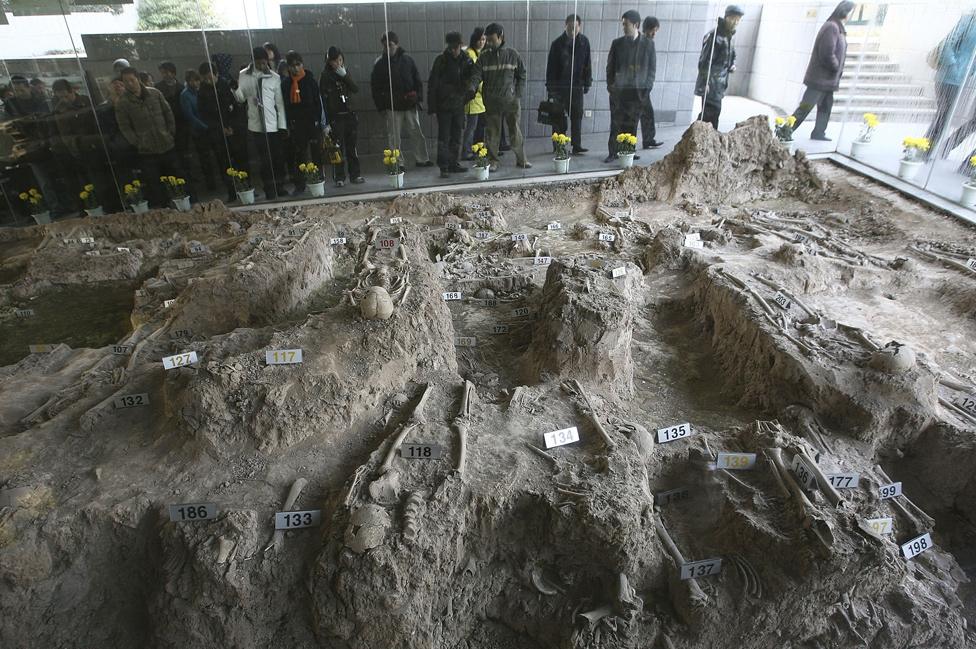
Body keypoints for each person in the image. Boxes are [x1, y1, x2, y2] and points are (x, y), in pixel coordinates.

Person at [468, 22, 531, 171]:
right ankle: (493, 161)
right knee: (492, 133)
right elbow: (476, 75)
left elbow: (522, 74)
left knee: (515, 131)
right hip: (491, 102)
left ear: (501, 37)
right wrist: (472, 87)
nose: (488, 43)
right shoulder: (484, 57)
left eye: (491, 40)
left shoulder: (512, 55)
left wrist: (518, 94)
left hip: (510, 101)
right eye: (487, 40)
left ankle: (522, 159)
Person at [788, 1, 854, 142]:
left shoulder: (838, 27)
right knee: (805, 107)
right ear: (845, 11)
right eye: (851, 11)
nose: (851, 14)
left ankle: (819, 132)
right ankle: (785, 131)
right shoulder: (832, 27)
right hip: (820, 79)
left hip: (828, 80)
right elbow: (827, 53)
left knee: (825, 107)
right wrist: (836, 66)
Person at [115, 66, 177, 207]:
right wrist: (137, 142)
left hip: (166, 143)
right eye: (126, 81)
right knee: (154, 184)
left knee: (175, 177)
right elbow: (124, 127)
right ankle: (163, 209)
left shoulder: (154, 93)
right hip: (147, 151)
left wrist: (170, 133)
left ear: (137, 78)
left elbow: (168, 113)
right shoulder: (123, 103)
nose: (130, 84)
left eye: (132, 80)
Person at [370, 31, 433, 168]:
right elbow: (375, 87)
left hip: (409, 104)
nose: (387, 48)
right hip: (392, 106)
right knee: (394, 137)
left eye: (390, 45)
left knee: (416, 133)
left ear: (397, 45)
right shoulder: (380, 64)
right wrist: (381, 107)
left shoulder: (407, 60)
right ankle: (398, 162)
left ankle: (422, 159)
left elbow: (417, 80)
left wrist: (418, 99)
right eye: (385, 46)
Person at [234, 47, 288, 200]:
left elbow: (280, 103)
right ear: (253, 62)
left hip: (273, 125)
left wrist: (282, 125)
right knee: (264, 160)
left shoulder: (274, 77)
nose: (263, 66)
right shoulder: (244, 75)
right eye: (259, 63)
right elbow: (240, 98)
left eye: (265, 63)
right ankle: (269, 188)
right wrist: (236, 91)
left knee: (277, 158)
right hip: (256, 125)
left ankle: (280, 186)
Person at [604, 10, 656, 163]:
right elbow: (610, 68)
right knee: (616, 123)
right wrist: (611, 87)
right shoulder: (617, 43)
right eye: (623, 25)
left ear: (636, 25)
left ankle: (628, 152)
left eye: (626, 25)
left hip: (638, 93)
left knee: (632, 124)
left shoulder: (648, 45)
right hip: (619, 93)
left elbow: (651, 70)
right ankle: (613, 152)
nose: (624, 28)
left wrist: (646, 90)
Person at [925, 11, 976, 159]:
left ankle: (928, 149)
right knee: (943, 115)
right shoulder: (968, 20)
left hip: (962, 79)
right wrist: (953, 66)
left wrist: (970, 71)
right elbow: (947, 44)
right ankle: (925, 150)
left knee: (944, 116)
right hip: (948, 77)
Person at [546, 13, 592, 155]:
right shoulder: (557, 44)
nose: (573, 31)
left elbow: (587, 64)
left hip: (577, 85)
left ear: (580, 26)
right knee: (559, 118)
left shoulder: (584, 42)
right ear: (565, 26)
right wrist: (551, 88)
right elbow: (551, 68)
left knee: (577, 116)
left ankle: (576, 145)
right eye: (570, 28)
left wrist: (587, 82)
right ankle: (558, 145)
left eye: (576, 28)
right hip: (560, 87)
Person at [428, 32, 473, 179]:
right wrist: (433, 106)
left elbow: (473, 81)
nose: (454, 50)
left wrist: (465, 97)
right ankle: (444, 166)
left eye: (456, 47)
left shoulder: (466, 60)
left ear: (460, 45)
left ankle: (453, 163)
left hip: (458, 105)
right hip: (444, 106)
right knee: (444, 137)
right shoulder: (441, 61)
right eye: (451, 47)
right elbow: (433, 84)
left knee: (457, 136)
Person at [198, 62, 243, 203]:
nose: (208, 81)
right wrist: (220, 128)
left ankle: (245, 189)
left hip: (233, 130)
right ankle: (231, 191)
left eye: (210, 78)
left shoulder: (225, 86)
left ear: (216, 74)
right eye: (205, 79)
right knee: (224, 163)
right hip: (217, 133)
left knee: (240, 160)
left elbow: (236, 107)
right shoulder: (202, 91)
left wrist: (231, 126)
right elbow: (204, 115)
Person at [320, 47, 364, 187]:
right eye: (334, 61)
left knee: (352, 147)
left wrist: (345, 75)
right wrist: (326, 122)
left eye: (340, 60)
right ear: (329, 62)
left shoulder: (345, 72)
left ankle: (355, 175)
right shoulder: (326, 76)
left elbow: (355, 88)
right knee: (337, 148)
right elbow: (323, 100)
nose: (337, 63)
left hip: (349, 115)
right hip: (336, 117)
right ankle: (339, 177)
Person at [281, 51, 324, 193]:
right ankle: (300, 184)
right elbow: (285, 106)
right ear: (288, 67)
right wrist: (288, 124)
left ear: (302, 65)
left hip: (311, 123)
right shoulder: (286, 84)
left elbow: (318, 103)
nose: (295, 69)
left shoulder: (310, 81)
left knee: (316, 153)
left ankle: (318, 181)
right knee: (299, 155)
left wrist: (319, 121)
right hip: (296, 124)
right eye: (292, 66)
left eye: (298, 65)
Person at [696, 5, 744, 130]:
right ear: (727, 17)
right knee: (709, 116)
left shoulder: (729, 37)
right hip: (711, 83)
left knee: (709, 116)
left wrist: (732, 65)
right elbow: (704, 62)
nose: (736, 22)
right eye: (733, 19)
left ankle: (700, 140)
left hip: (720, 85)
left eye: (738, 20)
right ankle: (701, 141)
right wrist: (705, 82)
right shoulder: (714, 36)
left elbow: (732, 55)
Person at [181, 69, 220, 195]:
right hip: (198, 130)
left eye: (197, 80)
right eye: (192, 80)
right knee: (205, 159)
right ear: (188, 81)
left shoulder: (203, 90)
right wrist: (205, 126)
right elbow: (190, 115)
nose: (195, 83)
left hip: (210, 127)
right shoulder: (185, 95)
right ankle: (211, 184)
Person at [461, 27, 487, 161]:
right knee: (472, 127)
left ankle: (477, 149)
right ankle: (466, 151)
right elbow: (475, 76)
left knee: (478, 127)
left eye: (484, 39)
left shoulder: (480, 53)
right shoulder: (470, 54)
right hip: (473, 97)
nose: (482, 42)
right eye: (480, 39)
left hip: (480, 98)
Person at [639, 16, 664, 149]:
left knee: (646, 113)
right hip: (641, 85)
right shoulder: (647, 43)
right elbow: (651, 67)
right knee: (646, 113)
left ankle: (648, 139)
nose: (654, 34)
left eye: (656, 31)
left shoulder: (644, 41)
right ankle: (648, 139)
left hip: (642, 85)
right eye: (653, 30)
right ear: (647, 29)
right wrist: (649, 84)